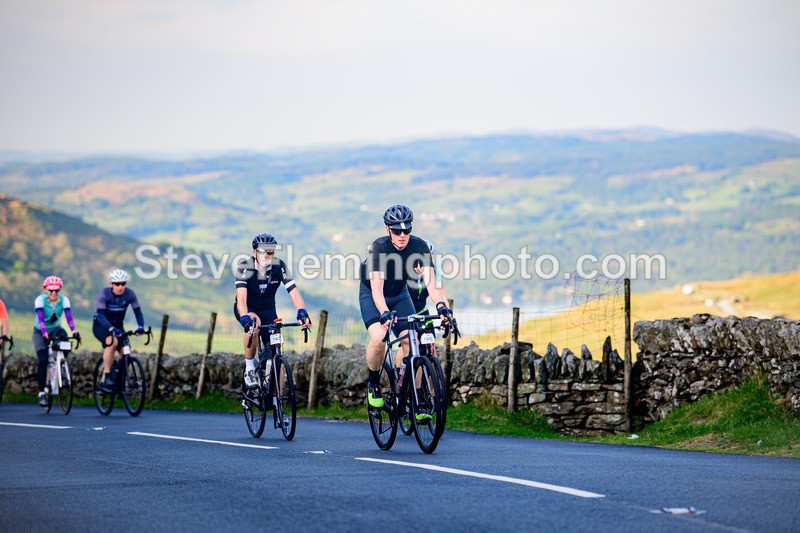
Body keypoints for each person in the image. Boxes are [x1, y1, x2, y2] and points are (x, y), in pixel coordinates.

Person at [359, 205, 452, 409]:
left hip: (400, 295)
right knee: (378, 340)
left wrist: (442, 307)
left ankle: (410, 394)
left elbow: (432, 283)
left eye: (407, 230)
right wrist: (384, 313)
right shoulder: (379, 248)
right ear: (387, 230)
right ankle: (373, 383)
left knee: (413, 344)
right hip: (373, 295)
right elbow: (376, 290)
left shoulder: (419, 246)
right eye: (396, 231)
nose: (402, 235)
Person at [234, 233, 311, 388]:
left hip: (269, 310)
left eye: (271, 251)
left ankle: (277, 402)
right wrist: (245, 318)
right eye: (263, 251)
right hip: (248, 310)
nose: (267, 255)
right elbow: (241, 299)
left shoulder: (279, 266)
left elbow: (294, 292)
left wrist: (302, 312)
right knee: (255, 325)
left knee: (277, 354)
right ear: (254, 252)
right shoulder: (244, 267)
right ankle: (249, 368)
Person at [92, 269, 146, 389]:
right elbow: (100, 315)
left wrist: (141, 327)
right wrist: (111, 329)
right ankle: (107, 376)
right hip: (101, 325)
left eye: (123, 283)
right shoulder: (104, 293)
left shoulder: (130, 294)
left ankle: (119, 381)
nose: (120, 286)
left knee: (125, 350)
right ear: (111, 284)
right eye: (117, 284)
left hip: (118, 326)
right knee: (113, 343)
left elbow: (137, 311)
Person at [32, 276, 81, 406]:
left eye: (56, 291)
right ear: (45, 290)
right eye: (50, 291)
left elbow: (69, 318)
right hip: (40, 332)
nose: (53, 293)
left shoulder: (64, 300)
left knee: (65, 338)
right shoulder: (40, 300)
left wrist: (74, 332)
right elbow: (41, 319)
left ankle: (62, 364)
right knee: (43, 360)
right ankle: (42, 393)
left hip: (55, 329)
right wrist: (44, 333)